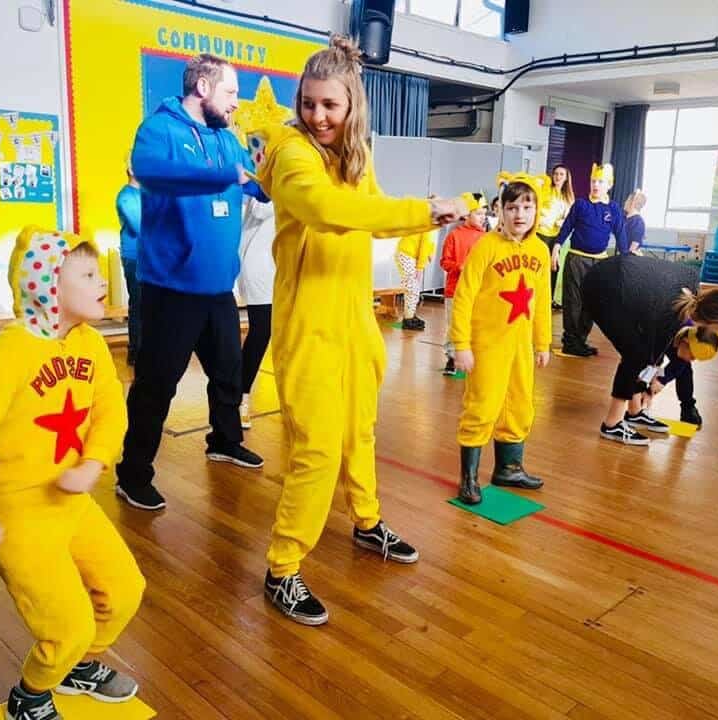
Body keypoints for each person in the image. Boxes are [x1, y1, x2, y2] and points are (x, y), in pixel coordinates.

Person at [247, 35, 466, 626]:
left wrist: (417, 210)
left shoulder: (355, 156)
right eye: (310, 103)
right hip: (309, 329)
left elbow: (371, 214)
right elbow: (331, 212)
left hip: (356, 323)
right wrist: (425, 212)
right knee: (315, 451)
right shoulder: (292, 154)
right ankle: (283, 567)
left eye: (330, 106)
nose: (317, 116)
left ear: (352, 108)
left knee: (360, 433)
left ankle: (367, 522)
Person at [0, 227, 144, 720]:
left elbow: (110, 412)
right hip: (19, 512)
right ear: (48, 286)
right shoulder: (8, 353)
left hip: (73, 504)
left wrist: (94, 462)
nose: (103, 282)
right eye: (88, 274)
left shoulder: (92, 346)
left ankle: (76, 664)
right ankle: (30, 696)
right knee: (67, 624)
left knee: (124, 591)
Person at [116, 54, 270, 511]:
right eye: (230, 93)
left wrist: (275, 180)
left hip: (217, 288)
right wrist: (225, 175)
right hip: (171, 288)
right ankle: (133, 473)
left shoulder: (227, 138)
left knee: (227, 372)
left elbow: (253, 182)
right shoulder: (159, 130)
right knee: (157, 385)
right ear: (202, 87)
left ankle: (223, 440)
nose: (236, 104)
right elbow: (149, 171)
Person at [451, 173, 552, 504]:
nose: (519, 214)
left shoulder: (539, 250)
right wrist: (461, 345)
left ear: (537, 211)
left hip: (521, 344)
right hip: (487, 344)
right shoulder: (485, 247)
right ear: (500, 210)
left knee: (520, 404)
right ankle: (469, 478)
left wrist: (542, 343)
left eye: (527, 206)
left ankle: (509, 468)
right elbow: (463, 297)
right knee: (482, 404)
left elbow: (542, 302)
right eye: (512, 207)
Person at [582, 254, 718, 445]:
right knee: (636, 354)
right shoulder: (669, 313)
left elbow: (656, 359)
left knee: (643, 355)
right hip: (601, 286)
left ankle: (634, 412)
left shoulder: (691, 280)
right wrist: (648, 384)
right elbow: (648, 358)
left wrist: (648, 385)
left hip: (616, 274)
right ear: (710, 322)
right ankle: (612, 425)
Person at [553, 162, 627, 356]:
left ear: (609, 185)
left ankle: (580, 340)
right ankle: (570, 342)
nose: (595, 185)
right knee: (573, 301)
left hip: (600, 262)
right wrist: (557, 246)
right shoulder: (580, 204)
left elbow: (621, 235)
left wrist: (626, 259)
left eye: (600, 182)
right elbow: (567, 227)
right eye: (593, 181)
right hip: (577, 259)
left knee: (592, 303)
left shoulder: (613, 209)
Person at [237, 196, 276, 429]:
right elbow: (261, 209)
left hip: (278, 264)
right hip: (259, 265)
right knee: (261, 331)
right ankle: (239, 397)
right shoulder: (267, 188)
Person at [440, 192, 488, 374]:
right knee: (454, 324)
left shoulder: (487, 239)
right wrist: (459, 267)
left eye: (484, 214)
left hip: (477, 292)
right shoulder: (454, 236)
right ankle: (452, 358)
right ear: (467, 215)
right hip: (455, 290)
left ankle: (472, 356)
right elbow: (445, 262)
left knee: (475, 324)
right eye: (478, 213)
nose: (482, 218)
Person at [536, 164, 575, 299]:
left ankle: (548, 299)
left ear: (566, 178)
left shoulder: (568, 197)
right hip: (540, 233)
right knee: (538, 266)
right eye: (556, 174)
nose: (558, 177)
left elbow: (570, 219)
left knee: (553, 267)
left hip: (557, 238)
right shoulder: (545, 189)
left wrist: (563, 222)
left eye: (561, 174)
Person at [116, 159, 141, 365]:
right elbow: (139, 225)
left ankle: (149, 349)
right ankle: (136, 351)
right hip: (135, 257)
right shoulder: (125, 197)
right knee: (139, 304)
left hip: (153, 258)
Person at [395, 229, 437, 330]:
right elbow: (424, 245)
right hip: (407, 254)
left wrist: (430, 251)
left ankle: (410, 316)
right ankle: (408, 319)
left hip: (408, 254)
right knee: (412, 287)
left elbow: (427, 243)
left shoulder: (430, 226)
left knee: (413, 287)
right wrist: (420, 267)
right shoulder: (427, 224)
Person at [622, 189, 647, 254]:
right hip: (622, 254)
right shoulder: (625, 218)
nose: (625, 202)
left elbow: (633, 247)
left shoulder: (638, 222)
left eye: (627, 200)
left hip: (630, 257)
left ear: (633, 203)